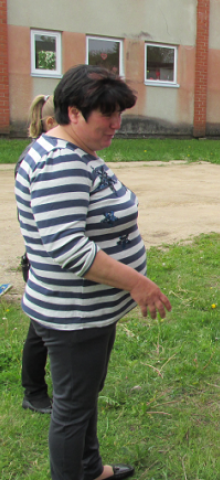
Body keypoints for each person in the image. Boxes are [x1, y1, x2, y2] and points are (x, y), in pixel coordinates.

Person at [15, 64, 172, 480]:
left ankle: (88, 468)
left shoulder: (69, 151)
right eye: (107, 114)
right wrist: (137, 283)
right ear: (73, 112)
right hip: (74, 315)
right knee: (71, 408)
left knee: (81, 398)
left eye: (120, 113)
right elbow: (69, 249)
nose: (116, 124)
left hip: (84, 311)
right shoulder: (61, 164)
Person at [16, 94, 57, 415]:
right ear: (51, 124)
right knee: (41, 332)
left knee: (39, 330)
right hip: (41, 259)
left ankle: (35, 389)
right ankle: (33, 391)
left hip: (38, 257)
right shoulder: (39, 158)